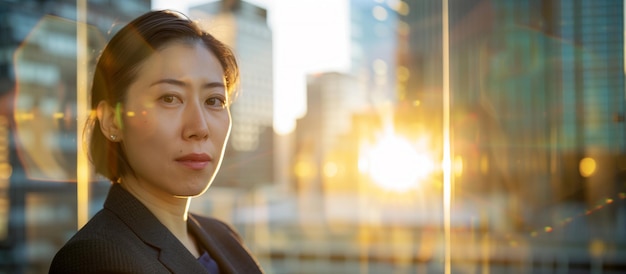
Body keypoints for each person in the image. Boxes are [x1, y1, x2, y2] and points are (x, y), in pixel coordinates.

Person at [50, 10, 264, 273]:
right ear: (112, 121)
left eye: (214, 101)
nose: (199, 128)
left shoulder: (223, 236)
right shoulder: (96, 258)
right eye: (170, 98)